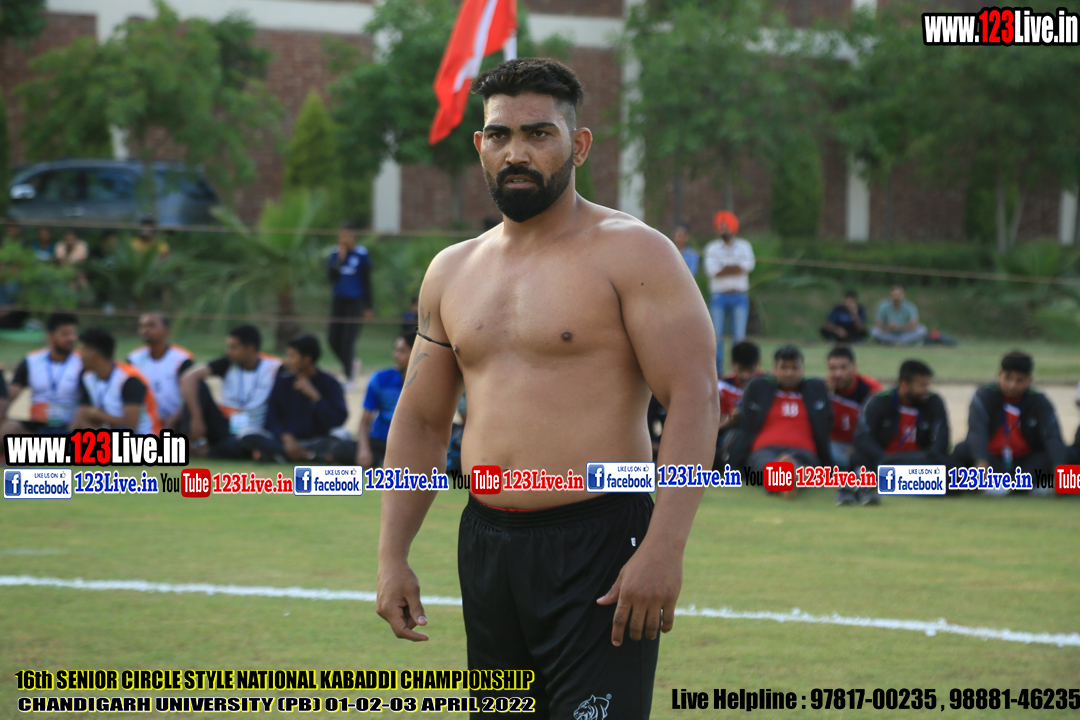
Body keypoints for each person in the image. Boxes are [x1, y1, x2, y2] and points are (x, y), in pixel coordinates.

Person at [376, 59, 719, 720]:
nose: (517, 152)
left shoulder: (635, 253)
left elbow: (696, 397)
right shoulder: (451, 270)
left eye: (539, 134)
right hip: (487, 544)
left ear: (578, 145)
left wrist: (664, 549)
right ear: (480, 146)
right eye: (499, 135)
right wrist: (393, 556)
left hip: (598, 539)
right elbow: (420, 420)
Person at [951, 351, 1067, 493]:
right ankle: (1022, 487)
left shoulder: (1039, 400)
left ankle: (1003, 487)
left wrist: (1059, 468)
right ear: (999, 375)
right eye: (1008, 378)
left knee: (1060, 455)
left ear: (1029, 380)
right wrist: (981, 460)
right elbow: (977, 430)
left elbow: (1052, 436)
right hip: (993, 459)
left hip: (1025, 461)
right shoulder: (984, 395)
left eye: (1019, 380)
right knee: (962, 450)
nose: (1012, 385)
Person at [727, 345, 833, 496]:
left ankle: (787, 477)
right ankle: (790, 478)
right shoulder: (759, 389)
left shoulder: (814, 391)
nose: (789, 373)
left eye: (794, 368)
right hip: (765, 449)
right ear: (775, 369)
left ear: (802, 369)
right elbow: (747, 422)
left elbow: (827, 422)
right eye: (784, 368)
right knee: (762, 464)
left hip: (804, 450)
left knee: (806, 465)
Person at [851, 360, 949, 503]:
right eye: (922, 385)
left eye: (928, 384)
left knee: (951, 467)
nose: (927, 389)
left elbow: (942, 439)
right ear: (904, 385)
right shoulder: (879, 400)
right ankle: (909, 484)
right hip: (884, 460)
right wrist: (885, 459)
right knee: (858, 458)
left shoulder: (934, 401)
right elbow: (861, 438)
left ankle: (885, 483)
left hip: (919, 462)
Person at [245, 334, 351, 463]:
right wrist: (285, 437)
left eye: (291, 356)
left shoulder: (330, 383)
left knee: (342, 435)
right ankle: (309, 456)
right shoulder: (283, 381)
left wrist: (315, 396)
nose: (287, 361)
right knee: (248, 434)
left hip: (317, 440)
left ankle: (282, 455)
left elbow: (338, 419)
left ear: (306, 360)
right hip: (286, 441)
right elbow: (271, 417)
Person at [179, 325, 281, 458]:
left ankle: (208, 451)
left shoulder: (274, 368)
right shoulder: (227, 363)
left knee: (245, 442)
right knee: (198, 387)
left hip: (255, 429)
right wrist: (196, 418)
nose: (229, 352)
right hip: (224, 425)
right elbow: (188, 377)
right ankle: (192, 443)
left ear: (250, 349)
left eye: (234, 347)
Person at [0, 313, 82, 461]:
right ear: (50, 336)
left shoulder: (83, 362)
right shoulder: (31, 361)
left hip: (70, 427)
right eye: (65, 334)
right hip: (37, 428)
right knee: (9, 428)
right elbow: (9, 395)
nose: (71, 338)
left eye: (73, 334)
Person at [71, 328, 160, 434]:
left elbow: (130, 425)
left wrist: (97, 414)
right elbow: (80, 419)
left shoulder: (129, 379)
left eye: (82, 350)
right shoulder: (87, 376)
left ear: (93, 354)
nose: (79, 356)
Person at [826, 346, 883, 504]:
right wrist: (825, 399)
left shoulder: (872, 390)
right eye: (833, 368)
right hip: (835, 446)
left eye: (843, 367)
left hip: (862, 447)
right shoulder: (824, 389)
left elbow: (880, 429)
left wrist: (859, 448)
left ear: (854, 367)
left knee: (873, 458)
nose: (838, 374)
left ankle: (850, 482)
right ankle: (859, 481)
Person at [703, 210, 754, 375]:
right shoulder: (711, 248)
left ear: (734, 227)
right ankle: (718, 374)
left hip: (740, 295)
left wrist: (724, 268)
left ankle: (738, 373)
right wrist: (735, 267)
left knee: (739, 337)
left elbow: (747, 267)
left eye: (726, 226)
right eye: (721, 227)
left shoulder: (744, 246)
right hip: (719, 296)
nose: (723, 230)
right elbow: (712, 271)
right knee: (717, 337)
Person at [127, 313, 194, 430]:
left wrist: (174, 420)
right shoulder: (134, 359)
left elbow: (192, 396)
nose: (145, 330)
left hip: (176, 422)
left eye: (151, 325)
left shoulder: (181, 359)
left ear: (166, 330)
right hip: (144, 423)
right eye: (142, 326)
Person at [356, 332, 414, 469]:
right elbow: (365, 421)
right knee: (340, 449)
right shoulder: (380, 379)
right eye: (396, 350)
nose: (395, 355)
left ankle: (386, 463)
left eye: (402, 351)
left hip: (411, 445)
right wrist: (363, 450)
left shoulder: (426, 385)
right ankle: (388, 462)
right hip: (380, 441)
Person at [327, 220, 373, 383]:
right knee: (333, 340)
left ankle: (349, 377)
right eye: (342, 234)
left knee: (348, 340)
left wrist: (368, 306)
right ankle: (351, 364)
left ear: (353, 235)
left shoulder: (362, 254)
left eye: (347, 234)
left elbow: (367, 281)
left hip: (355, 303)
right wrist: (339, 260)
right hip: (339, 301)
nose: (344, 238)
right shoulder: (335, 254)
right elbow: (330, 278)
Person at [713, 341, 760, 470]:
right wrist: (730, 421)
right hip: (729, 434)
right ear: (733, 365)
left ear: (758, 365)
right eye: (741, 370)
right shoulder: (723, 387)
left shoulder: (767, 384)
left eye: (750, 370)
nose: (746, 375)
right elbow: (714, 424)